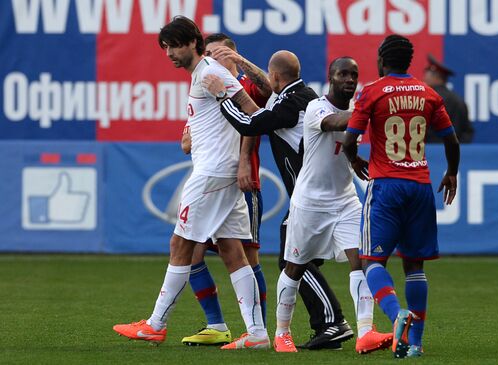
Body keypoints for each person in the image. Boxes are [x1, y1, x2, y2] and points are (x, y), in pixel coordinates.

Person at [112, 16, 270, 350]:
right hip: (219, 169)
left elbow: (254, 113)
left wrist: (240, 156)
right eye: (165, 47)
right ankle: (256, 333)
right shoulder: (203, 73)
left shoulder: (210, 72)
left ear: (192, 43)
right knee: (231, 251)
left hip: (212, 173)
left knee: (180, 244)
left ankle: (156, 324)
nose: (169, 52)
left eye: (174, 45)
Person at [203, 50, 354, 350]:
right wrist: (242, 61)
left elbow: (249, 124)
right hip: (320, 194)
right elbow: (267, 95)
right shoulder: (297, 95)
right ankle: (331, 324)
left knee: (292, 260)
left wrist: (222, 95)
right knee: (298, 260)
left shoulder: (292, 104)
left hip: (312, 197)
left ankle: (333, 322)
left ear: (276, 77)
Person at [342, 35, 460, 358]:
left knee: (371, 261)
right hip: (420, 186)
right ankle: (416, 343)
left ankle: (397, 316)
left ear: (382, 59)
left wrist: (353, 159)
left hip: (386, 186)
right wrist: (451, 172)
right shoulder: (428, 93)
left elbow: (350, 138)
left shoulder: (373, 92)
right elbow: (451, 140)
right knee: (415, 266)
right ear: (409, 62)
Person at [269, 56, 393, 353]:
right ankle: (281, 332)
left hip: (345, 200)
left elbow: (345, 139)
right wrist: (370, 110)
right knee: (294, 268)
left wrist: (352, 158)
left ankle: (366, 331)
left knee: (362, 261)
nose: (350, 79)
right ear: (331, 77)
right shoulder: (316, 107)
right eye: (343, 74)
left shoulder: (354, 112)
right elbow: (333, 124)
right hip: (309, 204)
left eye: (354, 74)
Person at [179, 33, 272, 346]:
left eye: (221, 54)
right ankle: (217, 324)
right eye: (209, 53)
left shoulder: (243, 85)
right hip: (212, 180)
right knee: (191, 252)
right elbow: (187, 140)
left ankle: (259, 327)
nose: (214, 59)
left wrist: (244, 161)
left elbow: (259, 110)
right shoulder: (205, 85)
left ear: (234, 56)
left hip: (242, 181)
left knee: (247, 256)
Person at [423, 54, 474, 143]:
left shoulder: (425, 98)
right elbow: (467, 132)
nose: (424, 78)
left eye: (427, 74)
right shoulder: (458, 100)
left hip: (428, 152)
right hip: (452, 153)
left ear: (436, 76)